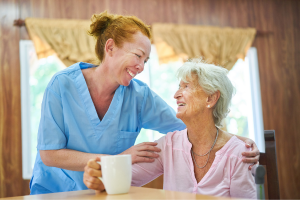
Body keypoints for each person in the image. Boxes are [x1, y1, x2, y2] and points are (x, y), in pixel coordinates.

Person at [30, 11, 259, 194]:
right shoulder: (62, 85)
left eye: (146, 60)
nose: (141, 67)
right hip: (56, 191)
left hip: (108, 193)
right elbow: (50, 154)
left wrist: (239, 143)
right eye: (138, 56)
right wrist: (119, 159)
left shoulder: (139, 96)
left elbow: (192, 126)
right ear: (110, 48)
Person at [84, 59, 257, 198]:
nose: (176, 94)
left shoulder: (240, 155)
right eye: (178, 86)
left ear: (211, 99)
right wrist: (97, 177)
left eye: (186, 86)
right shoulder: (168, 146)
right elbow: (118, 180)